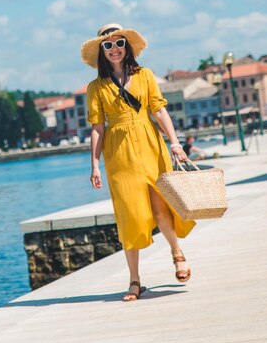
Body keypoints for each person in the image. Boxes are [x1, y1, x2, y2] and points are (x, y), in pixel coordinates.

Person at [82, 23, 195, 302]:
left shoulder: (145, 76)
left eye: (119, 43)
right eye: (107, 45)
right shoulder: (96, 87)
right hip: (119, 156)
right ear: (101, 51)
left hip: (150, 146)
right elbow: (97, 128)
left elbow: (159, 110)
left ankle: (177, 253)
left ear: (127, 46)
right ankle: (134, 281)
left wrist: (176, 143)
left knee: (161, 209)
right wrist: (95, 165)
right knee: (129, 218)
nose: (114, 49)